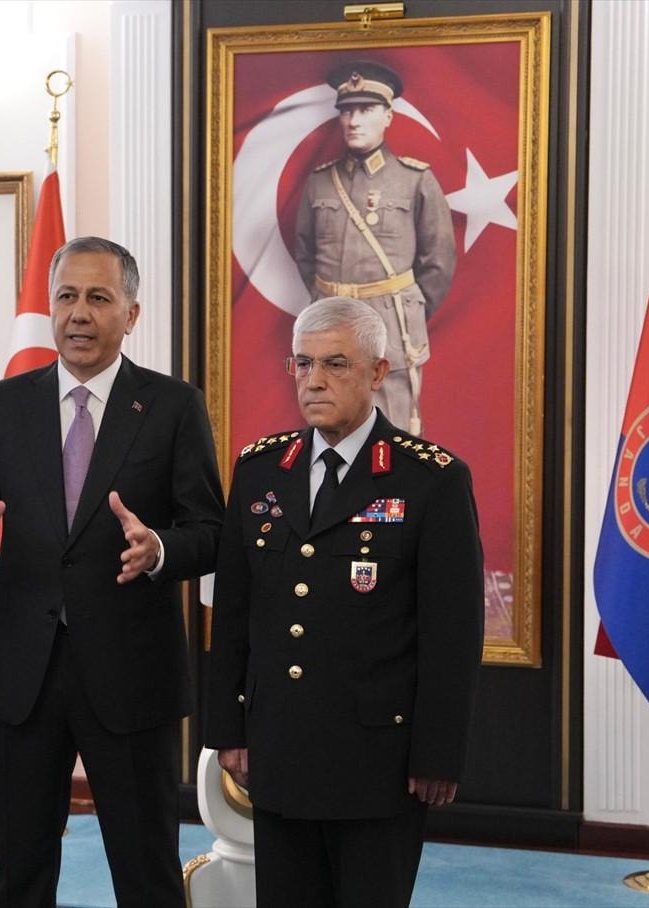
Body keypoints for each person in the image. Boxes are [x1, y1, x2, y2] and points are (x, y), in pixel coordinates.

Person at [0, 236, 223, 908]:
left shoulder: (172, 406)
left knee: (146, 870)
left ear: (131, 313)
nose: (79, 313)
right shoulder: (4, 404)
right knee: (21, 870)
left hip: (132, 672)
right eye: (66, 296)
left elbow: (211, 533)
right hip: (24, 674)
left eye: (98, 297)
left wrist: (160, 549)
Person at [205, 296, 483, 908]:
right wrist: (227, 727)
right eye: (302, 364)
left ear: (379, 372)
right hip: (280, 748)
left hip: (377, 760)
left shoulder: (430, 479)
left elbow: (453, 634)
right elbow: (234, 613)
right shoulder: (260, 469)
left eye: (335, 364)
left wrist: (438, 753)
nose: (314, 380)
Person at [293, 60, 457, 434]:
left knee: (392, 435)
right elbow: (305, 254)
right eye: (347, 111)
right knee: (329, 430)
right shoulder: (320, 182)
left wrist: (406, 308)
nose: (354, 121)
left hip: (392, 327)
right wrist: (329, 302)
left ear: (388, 116)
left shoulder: (415, 180)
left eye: (366, 109)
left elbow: (439, 262)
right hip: (329, 326)